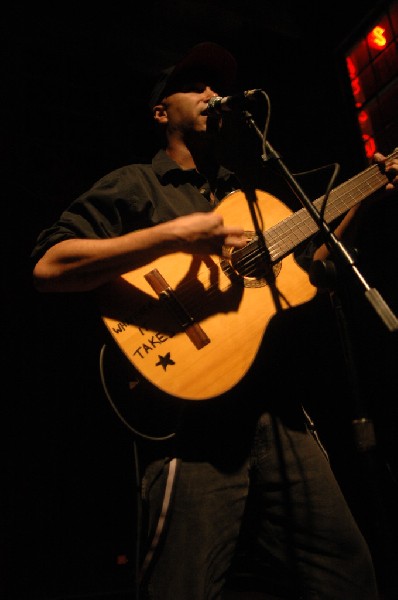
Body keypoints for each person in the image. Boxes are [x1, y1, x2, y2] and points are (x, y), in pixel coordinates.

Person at [30, 41, 398, 600]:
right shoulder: (137, 184)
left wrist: (367, 197)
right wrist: (173, 234)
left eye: (215, 85)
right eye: (195, 86)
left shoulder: (247, 196)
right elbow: (49, 267)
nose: (211, 94)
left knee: (348, 575)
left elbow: (308, 275)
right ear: (161, 113)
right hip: (193, 428)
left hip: (277, 420)